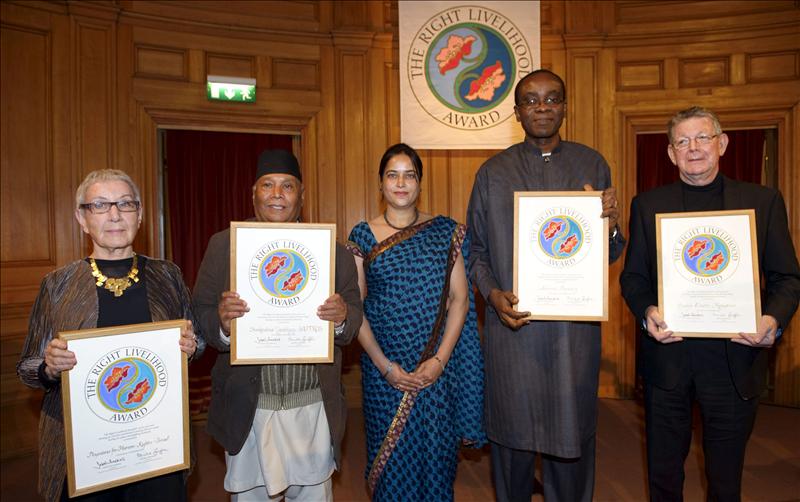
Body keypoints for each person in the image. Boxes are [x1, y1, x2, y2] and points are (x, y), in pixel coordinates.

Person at [619, 106, 800, 501]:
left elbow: (787, 278)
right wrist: (648, 312)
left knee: (725, 479)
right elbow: (633, 279)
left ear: (722, 144)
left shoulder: (762, 201)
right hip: (669, 360)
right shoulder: (648, 205)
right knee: (664, 476)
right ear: (671, 154)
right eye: (682, 141)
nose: (694, 148)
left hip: (734, 361)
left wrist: (772, 319)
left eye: (702, 137)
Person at [466, 69, 626, 502]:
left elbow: (610, 252)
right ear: (517, 112)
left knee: (571, 448)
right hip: (512, 335)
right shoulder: (492, 172)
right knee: (512, 449)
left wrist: (611, 226)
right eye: (531, 100)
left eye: (552, 99)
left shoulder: (592, 164)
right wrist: (493, 295)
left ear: (565, 108)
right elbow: (475, 251)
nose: (542, 107)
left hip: (572, 340)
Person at [17, 169, 203, 502]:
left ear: (140, 215)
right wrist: (49, 367)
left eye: (125, 204)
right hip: (87, 455)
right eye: (100, 205)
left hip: (157, 447)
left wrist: (190, 346)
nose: (115, 215)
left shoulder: (167, 275)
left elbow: (197, 341)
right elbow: (27, 368)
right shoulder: (58, 285)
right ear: (82, 218)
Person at [193, 149, 363, 501]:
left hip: (312, 405)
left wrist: (342, 317)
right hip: (249, 407)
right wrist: (222, 323)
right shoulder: (224, 246)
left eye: (287, 186)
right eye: (267, 185)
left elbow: (354, 319)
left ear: (301, 195)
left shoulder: (332, 252)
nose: (277, 194)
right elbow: (201, 314)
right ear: (253, 193)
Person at [346, 143, 485, 501]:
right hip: (383, 373)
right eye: (392, 175)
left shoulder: (446, 233)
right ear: (380, 183)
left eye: (409, 175)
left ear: (420, 183)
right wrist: (385, 366)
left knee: (436, 460)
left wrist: (439, 361)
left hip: (435, 373)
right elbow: (355, 308)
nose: (400, 183)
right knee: (390, 466)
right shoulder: (362, 236)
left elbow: (460, 299)